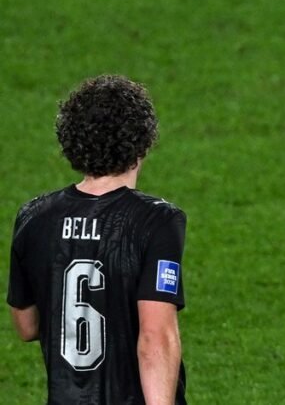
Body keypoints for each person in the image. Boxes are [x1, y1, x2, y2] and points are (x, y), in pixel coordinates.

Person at [6, 75, 188, 404]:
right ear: (142, 143)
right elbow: (155, 337)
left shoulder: (34, 217)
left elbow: (26, 326)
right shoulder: (156, 220)